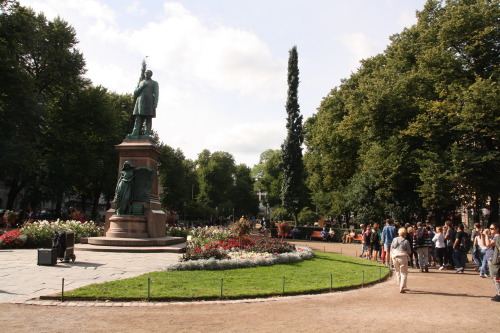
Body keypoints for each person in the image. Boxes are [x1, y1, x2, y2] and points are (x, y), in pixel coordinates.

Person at [130, 69, 159, 137]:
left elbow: (156, 94)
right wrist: (142, 86)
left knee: (148, 118)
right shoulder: (141, 82)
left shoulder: (154, 83)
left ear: (151, 74)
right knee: (138, 118)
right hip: (140, 102)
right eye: (145, 73)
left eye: (148, 73)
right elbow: (135, 92)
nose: (146, 74)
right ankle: (135, 132)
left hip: (149, 102)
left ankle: (147, 133)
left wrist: (155, 103)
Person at [479, 223, 500, 301]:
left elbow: (488, 244)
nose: (490, 230)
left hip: (494, 259)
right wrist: (482, 235)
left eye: (492, 229)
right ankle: (498, 292)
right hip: (490, 258)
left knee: (496, 277)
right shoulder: (494, 237)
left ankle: (499, 293)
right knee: (493, 277)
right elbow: (484, 244)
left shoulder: (497, 237)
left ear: (497, 229)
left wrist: (487, 235)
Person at [391, 227, 412, 293]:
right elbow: (409, 251)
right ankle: (402, 286)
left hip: (395, 256)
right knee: (404, 272)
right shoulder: (406, 241)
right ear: (405, 234)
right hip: (403, 257)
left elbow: (392, 248)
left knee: (398, 272)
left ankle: (400, 285)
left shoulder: (395, 239)